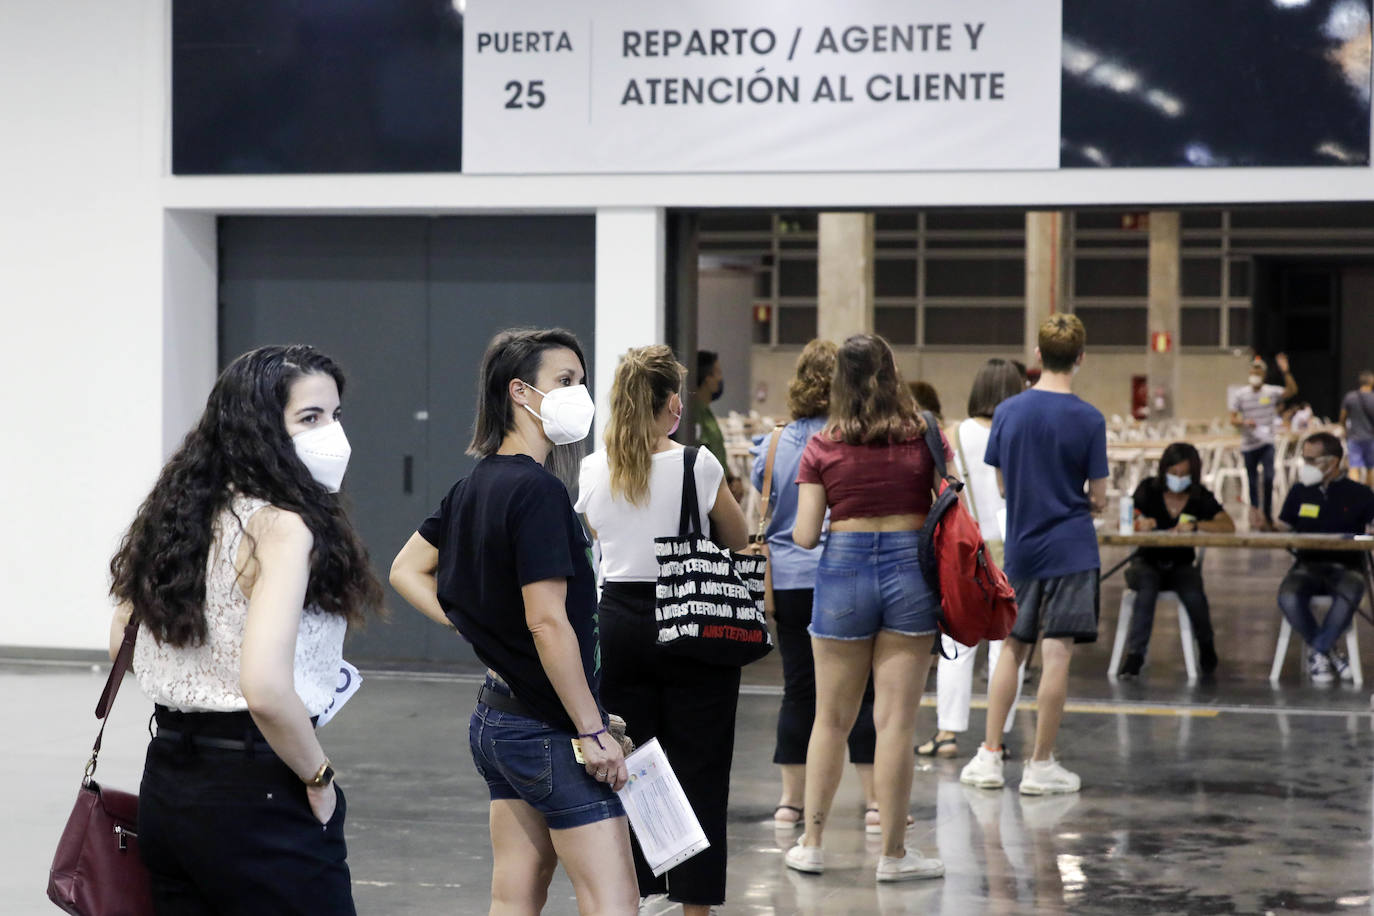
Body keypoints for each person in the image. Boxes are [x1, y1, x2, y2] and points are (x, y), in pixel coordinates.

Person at [107, 345, 384, 913]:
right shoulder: (281, 527)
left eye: (335, 415)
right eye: (310, 418)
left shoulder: (177, 514)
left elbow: (123, 645)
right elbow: (264, 688)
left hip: (169, 778)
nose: (332, 433)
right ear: (259, 429)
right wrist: (318, 775)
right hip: (258, 785)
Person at [389, 328, 639, 916]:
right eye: (565, 381)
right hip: (549, 731)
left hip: (497, 722)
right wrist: (592, 729)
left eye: (581, 380)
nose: (580, 393)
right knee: (615, 899)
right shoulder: (539, 492)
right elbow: (549, 623)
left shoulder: (473, 485)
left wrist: (478, 626)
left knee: (515, 894)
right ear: (521, 393)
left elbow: (406, 569)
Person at [574, 344, 749, 915]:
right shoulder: (697, 464)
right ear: (672, 402)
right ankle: (694, 905)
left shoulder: (594, 468)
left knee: (635, 766)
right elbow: (738, 536)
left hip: (619, 621)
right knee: (700, 766)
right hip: (689, 619)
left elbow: (600, 541)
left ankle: (646, 894)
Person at [785, 333, 948, 883]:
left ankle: (811, 843)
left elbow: (806, 536)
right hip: (910, 570)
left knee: (830, 718)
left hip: (843, 572)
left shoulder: (820, 445)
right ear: (892, 373)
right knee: (896, 722)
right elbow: (948, 505)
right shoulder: (923, 433)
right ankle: (895, 856)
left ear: (839, 383)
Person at [960, 314, 1109, 796]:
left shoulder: (1008, 413)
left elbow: (1001, 484)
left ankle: (988, 756)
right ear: (1081, 358)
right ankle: (1041, 764)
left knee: (1012, 649)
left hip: (1022, 547)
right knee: (1057, 653)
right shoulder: (1089, 419)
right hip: (1072, 548)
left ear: (1039, 356)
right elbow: (1101, 496)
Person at [750, 340, 887, 835]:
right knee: (864, 692)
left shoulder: (773, 443)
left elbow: (761, 508)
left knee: (799, 689)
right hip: (845, 573)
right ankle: (875, 803)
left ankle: (790, 803)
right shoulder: (853, 439)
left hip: (787, 577)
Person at [917, 359, 1026, 760]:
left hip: (966, 547)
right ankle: (997, 735)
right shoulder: (1018, 430)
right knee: (1006, 644)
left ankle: (946, 733)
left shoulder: (955, 434)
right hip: (1013, 544)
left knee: (957, 639)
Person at [1117, 443, 1235, 678]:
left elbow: (1228, 525)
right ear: (1164, 471)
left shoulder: (1199, 496)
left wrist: (1196, 525)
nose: (1178, 479)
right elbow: (1127, 516)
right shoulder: (1148, 489)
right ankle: (1135, 655)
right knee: (1147, 588)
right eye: (1173, 473)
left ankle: (1206, 646)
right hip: (1145, 562)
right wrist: (1140, 524)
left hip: (1180, 565)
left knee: (1194, 593)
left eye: (1183, 474)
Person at [1275, 432, 1374, 683]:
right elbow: (1283, 528)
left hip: (1346, 567)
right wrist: (1265, 524)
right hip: (1306, 566)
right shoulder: (1299, 491)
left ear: (1333, 462)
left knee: (1351, 591)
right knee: (1287, 595)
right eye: (1304, 459)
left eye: (1312, 460)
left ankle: (1319, 650)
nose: (1306, 466)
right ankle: (1328, 650)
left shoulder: (1360, 493)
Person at [1228, 353, 1297, 531]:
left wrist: (1286, 372)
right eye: (1253, 371)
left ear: (1264, 375)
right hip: (1249, 444)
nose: (1255, 375)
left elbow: (1292, 391)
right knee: (1251, 482)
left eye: (1258, 372)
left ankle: (1267, 515)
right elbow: (1232, 419)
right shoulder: (1241, 394)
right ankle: (1256, 516)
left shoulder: (1271, 392)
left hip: (1267, 443)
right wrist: (1244, 422)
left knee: (1268, 478)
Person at [692, 349, 745, 502]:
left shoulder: (707, 412)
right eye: (718, 373)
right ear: (707, 378)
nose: (720, 378)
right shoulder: (695, 414)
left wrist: (731, 479)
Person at [1338, 370, 1374, 486]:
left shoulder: (1350, 397)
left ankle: (1354, 495)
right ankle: (1369, 495)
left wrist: (1344, 429)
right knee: (1371, 467)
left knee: (1354, 467)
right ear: (1371, 381)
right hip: (1371, 437)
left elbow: (1342, 416)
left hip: (1354, 437)